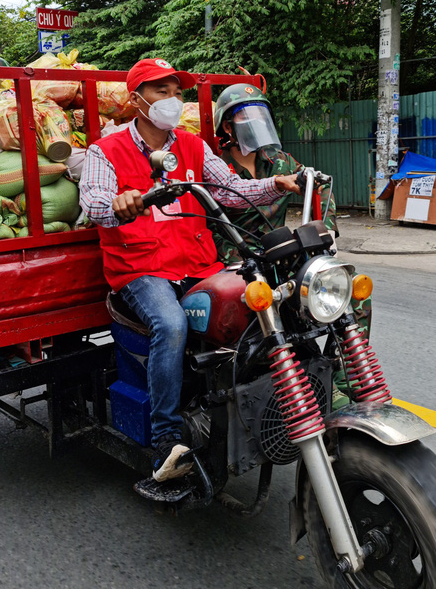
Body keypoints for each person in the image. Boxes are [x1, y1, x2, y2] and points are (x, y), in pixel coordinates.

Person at [79, 58, 301, 483]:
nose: (172, 99)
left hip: (198, 263)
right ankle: (165, 441)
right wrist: (120, 204)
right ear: (137, 100)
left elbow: (231, 191)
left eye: (176, 91)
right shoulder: (103, 151)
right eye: (161, 91)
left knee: (267, 301)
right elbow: (94, 206)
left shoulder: (194, 146)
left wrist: (275, 183)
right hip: (141, 270)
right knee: (172, 324)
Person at [210, 83, 336, 264]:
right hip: (242, 261)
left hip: (282, 252)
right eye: (247, 116)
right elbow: (210, 230)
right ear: (228, 127)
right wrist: (240, 261)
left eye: (261, 115)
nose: (256, 121)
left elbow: (318, 184)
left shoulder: (280, 161)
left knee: (342, 282)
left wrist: (326, 230)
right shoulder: (218, 171)